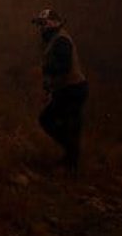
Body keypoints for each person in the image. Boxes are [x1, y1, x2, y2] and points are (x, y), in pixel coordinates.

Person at [32, 9, 89, 171]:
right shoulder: (53, 39)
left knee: (49, 120)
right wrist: (48, 87)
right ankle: (71, 158)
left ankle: (71, 162)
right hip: (68, 89)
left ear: (54, 22)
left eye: (43, 23)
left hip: (73, 90)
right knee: (56, 122)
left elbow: (62, 67)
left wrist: (45, 69)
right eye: (39, 24)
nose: (40, 28)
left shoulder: (61, 40)